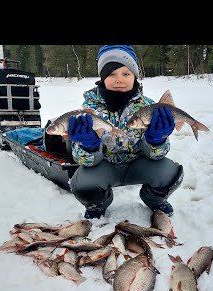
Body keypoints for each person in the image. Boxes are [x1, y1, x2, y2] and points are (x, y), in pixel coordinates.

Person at [68, 45, 183, 219]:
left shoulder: (149, 107)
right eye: (111, 74)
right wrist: (89, 146)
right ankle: (97, 204)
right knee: (83, 183)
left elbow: (157, 156)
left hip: (139, 164)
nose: (119, 80)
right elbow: (83, 160)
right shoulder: (88, 112)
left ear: (135, 76)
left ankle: (155, 201)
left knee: (170, 173)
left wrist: (156, 139)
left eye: (126, 74)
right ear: (102, 77)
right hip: (105, 167)